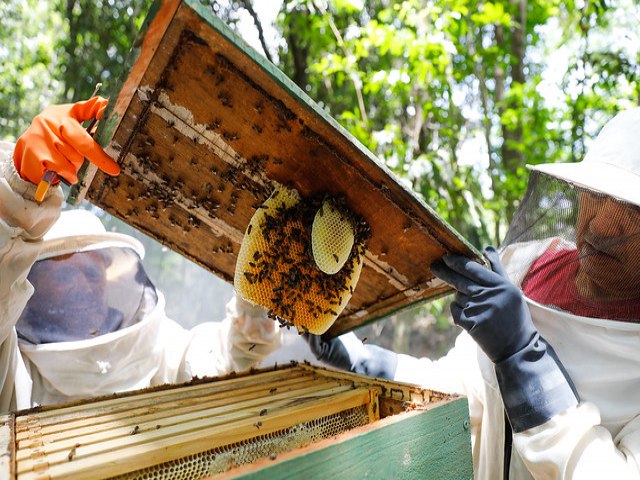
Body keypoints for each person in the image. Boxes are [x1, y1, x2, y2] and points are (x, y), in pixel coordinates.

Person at [307, 107, 640, 479]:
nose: (605, 226)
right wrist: (370, 364)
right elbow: (468, 390)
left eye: (633, 212)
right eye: (599, 196)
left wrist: (523, 362)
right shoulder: (533, 264)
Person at [0, 97, 280, 412]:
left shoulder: (158, 349)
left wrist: (257, 291)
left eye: (93, 273)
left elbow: (233, 356)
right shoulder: (14, 377)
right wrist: (17, 197)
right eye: (65, 274)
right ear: (33, 292)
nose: (85, 285)